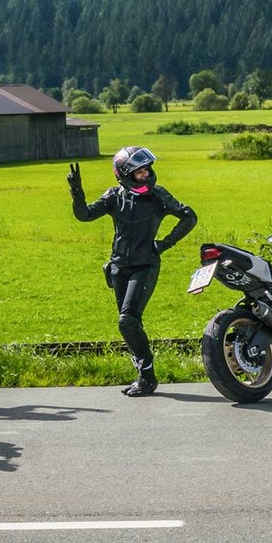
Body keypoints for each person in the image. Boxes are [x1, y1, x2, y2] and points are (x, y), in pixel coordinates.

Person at [69, 146, 197, 396]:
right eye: (140, 172)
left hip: (146, 265)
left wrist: (164, 244)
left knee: (127, 320)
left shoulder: (158, 196)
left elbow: (189, 217)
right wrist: (76, 192)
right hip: (118, 267)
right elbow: (84, 215)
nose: (146, 175)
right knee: (130, 324)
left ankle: (147, 377)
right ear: (124, 174)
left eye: (147, 169)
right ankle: (145, 377)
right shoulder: (114, 196)